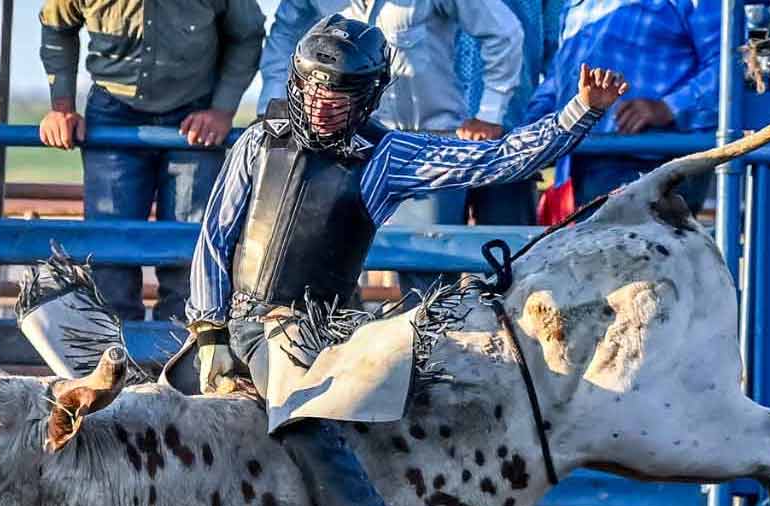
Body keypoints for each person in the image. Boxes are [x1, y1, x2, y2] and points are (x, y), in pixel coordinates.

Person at [187, 14, 626, 506]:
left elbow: (492, 159)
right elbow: (216, 236)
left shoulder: (386, 157)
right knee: (235, 414)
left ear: (368, 95)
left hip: (324, 330)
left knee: (342, 421)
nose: (323, 102)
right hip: (249, 323)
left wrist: (577, 113)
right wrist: (209, 332)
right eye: (315, 87)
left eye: (340, 92)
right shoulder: (257, 142)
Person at [259, 0, 525, 292]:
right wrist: (273, 109)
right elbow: (283, 35)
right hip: (346, 145)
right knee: (327, 265)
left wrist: (489, 114)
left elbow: (503, 32)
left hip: (422, 148)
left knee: (426, 274)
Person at [37, 0, 265, 322]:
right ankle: (115, 348)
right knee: (109, 252)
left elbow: (248, 34)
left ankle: (180, 347)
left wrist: (221, 110)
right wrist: (61, 107)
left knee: (190, 249)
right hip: (113, 111)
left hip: (194, 116)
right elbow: (56, 27)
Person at [524, 0, 720, 211]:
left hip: (653, 160)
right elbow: (560, 76)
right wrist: (529, 136)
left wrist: (669, 107)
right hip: (580, 162)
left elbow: (729, 62)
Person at [453, 0, 548, 226]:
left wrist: (541, 128)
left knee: (510, 244)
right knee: (423, 242)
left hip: (512, 140)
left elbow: (561, 46)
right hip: (429, 138)